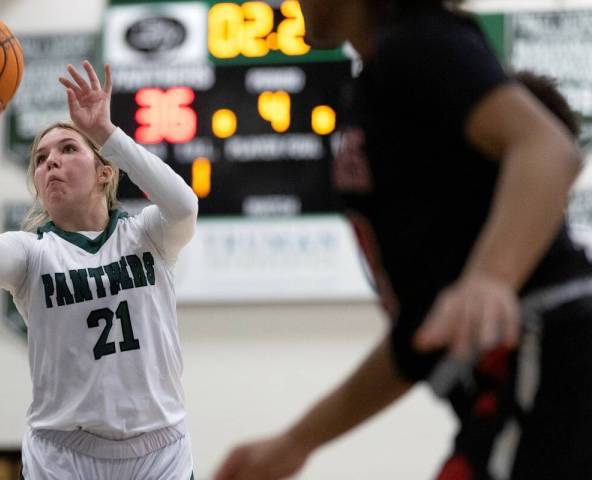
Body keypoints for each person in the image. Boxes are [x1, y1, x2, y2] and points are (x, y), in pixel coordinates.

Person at [214, 1, 592, 479]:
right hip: (507, 387)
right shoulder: (374, 90)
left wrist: (490, 278)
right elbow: (417, 340)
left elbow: (548, 147)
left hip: (553, 354)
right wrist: (297, 441)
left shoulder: (419, 40)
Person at [0, 61, 198, 480]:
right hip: (63, 453)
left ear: (105, 171)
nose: (51, 162)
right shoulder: (31, 253)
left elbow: (185, 205)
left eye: (68, 149)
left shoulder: (148, 234)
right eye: (41, 159)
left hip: (159, 450)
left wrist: (105, 134)